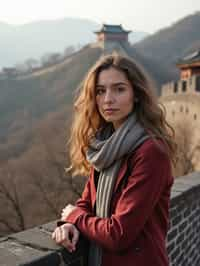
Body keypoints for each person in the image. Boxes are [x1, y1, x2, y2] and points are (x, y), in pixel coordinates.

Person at [52, 54, 177, 266]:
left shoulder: (150, 152)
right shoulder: (105, 145)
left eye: (119, 89)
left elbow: (119, 233)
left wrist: (75, 217)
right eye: (101, 91)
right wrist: (69, 223)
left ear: (136, 94)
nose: (108, 99)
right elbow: (87, 202)